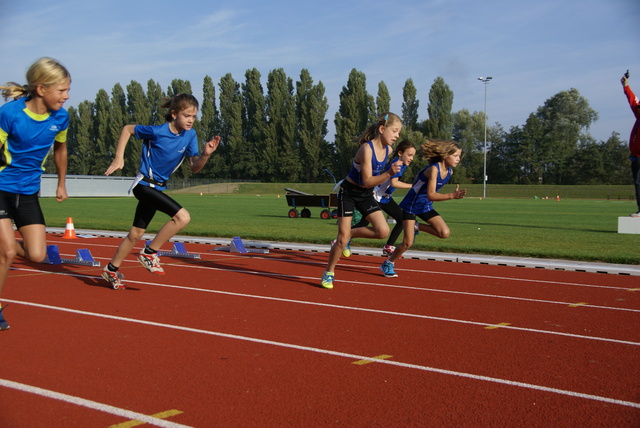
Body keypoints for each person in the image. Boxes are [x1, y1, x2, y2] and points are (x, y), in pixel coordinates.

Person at [101, 94, 220, 290]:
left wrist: (206, 155)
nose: (190, 120)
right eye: (186, 115)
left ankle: (110, 269)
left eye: (194, 116)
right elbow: (127, 129)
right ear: (174, 114)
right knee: (182, 217)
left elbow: (194, 167)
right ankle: (149, 253)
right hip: (144, 185)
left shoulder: (190, 135)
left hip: (157, 188)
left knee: (135, 234)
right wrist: (119, 157)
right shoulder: (157, 132)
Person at [0, 57, 72, 330]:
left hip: (28, 191)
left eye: (67, 90)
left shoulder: (61, 117)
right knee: (7, 253)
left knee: (37, 255)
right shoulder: (10, 114)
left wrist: (61, 183)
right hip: (0, 186)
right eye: (62, 90)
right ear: (41, 89)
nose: (67, 96)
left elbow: (60, 149)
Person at [320, 112, 403, 289]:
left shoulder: (387, 150)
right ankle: (329, 272)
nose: (397, 136)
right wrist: (389, 173)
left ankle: (349, 235)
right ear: (382, 129)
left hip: (366, 195)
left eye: (399, 133)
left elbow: (374, 180)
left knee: (382, 231)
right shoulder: (367, 149)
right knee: (341, 241)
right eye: (395, 131)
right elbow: (366, 180)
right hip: (349, 193)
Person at [380, 139, 467, 278]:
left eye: (459, 156)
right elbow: (431, 194)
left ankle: (416, 227)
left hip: (425, 206)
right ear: (445, 155)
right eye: (456, 156)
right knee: (407, 242)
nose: (458, 159)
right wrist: (452, 195)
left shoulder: (449, 171)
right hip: (411, 206)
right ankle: (388, 263)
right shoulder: (433, 169)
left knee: (444, 233)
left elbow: (428, 195)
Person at [352, 140, 417, 256]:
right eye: (410, 155)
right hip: (376, 197)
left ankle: (389, 247)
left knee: (402, 220)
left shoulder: (402, 164)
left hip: (385, 198)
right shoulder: (398, 163)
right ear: (400, 153)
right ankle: (342, 238)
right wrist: (413, 186)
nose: (412, 158)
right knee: (364, 223)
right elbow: (394, 183)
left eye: (413, 156)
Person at [621, 72, 640, 217]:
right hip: (636, 157)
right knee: (638, 183)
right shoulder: (639, 115)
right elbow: (633, 101)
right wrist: (626, 86)